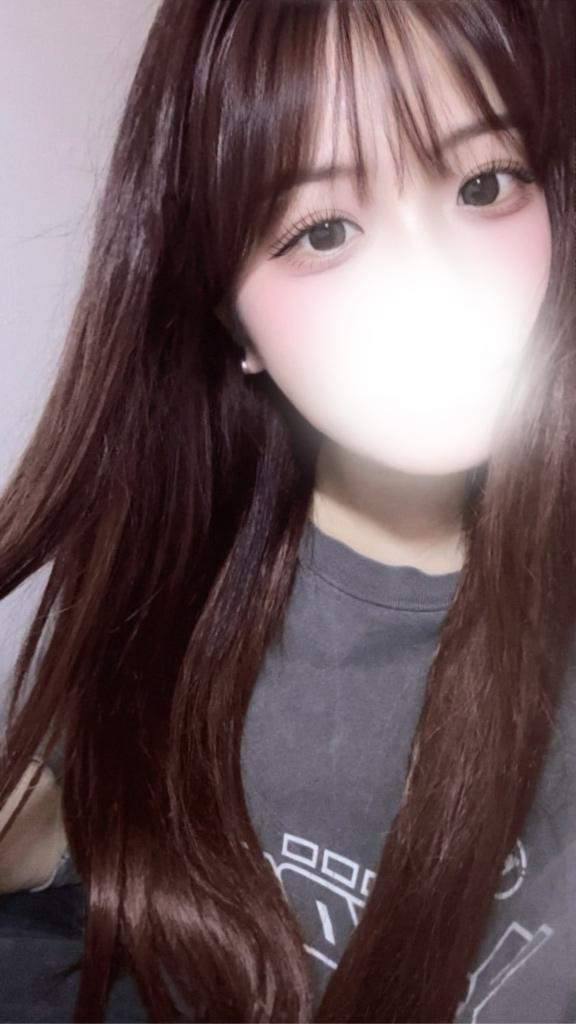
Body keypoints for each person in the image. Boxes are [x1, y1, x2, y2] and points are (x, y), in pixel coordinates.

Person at [0, 0, 574, 1020]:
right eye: (323, 231)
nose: (433, 285)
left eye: (484, 183)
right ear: (233, 320)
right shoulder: (158, 608)